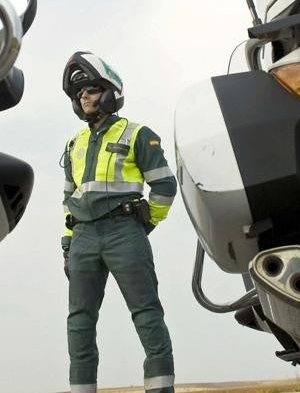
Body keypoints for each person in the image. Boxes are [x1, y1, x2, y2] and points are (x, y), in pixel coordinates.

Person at [60, 52, 177, 393]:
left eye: (92, 89)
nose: (84, 97)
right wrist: (68, 244)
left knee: (146, 313)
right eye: (79, 93)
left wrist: (145, 224)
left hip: (124, 231)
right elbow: (68, 200)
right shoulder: (73, 144)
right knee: (79, 321)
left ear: (111, 92)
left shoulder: (138, 134)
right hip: (83, 236)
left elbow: (165, 185)